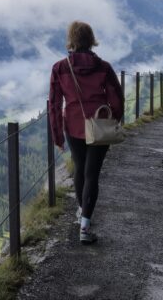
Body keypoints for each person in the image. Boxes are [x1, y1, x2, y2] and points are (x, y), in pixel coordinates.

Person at [47, 20, 124, 244]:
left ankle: (83, 215)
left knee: (80, 170)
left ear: (71, 40)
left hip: (73, 126)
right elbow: (116, 98)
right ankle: (85, 225)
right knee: (93, 174)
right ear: (91, 40)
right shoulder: (103, 67)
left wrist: (57, 135)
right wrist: (114, 120)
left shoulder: (60, 68)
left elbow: (54, 104)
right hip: (99, 126)